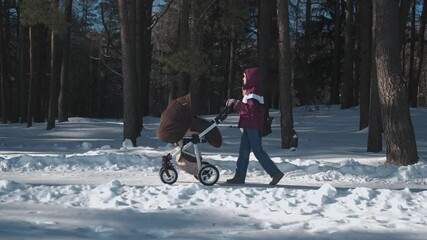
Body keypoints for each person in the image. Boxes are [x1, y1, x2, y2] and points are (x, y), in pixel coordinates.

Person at [225, 67, 284, 185]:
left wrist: (236, 103)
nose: (243, 78)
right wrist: (236, 104)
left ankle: (275, 173)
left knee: (257, 151)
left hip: (252, 126)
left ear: (250, 77)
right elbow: (247, 110)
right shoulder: (249, 92)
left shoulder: (253, 93)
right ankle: (239, 177)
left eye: (244, 76)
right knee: (244, 152)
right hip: (248, 125)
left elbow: (250, 109)